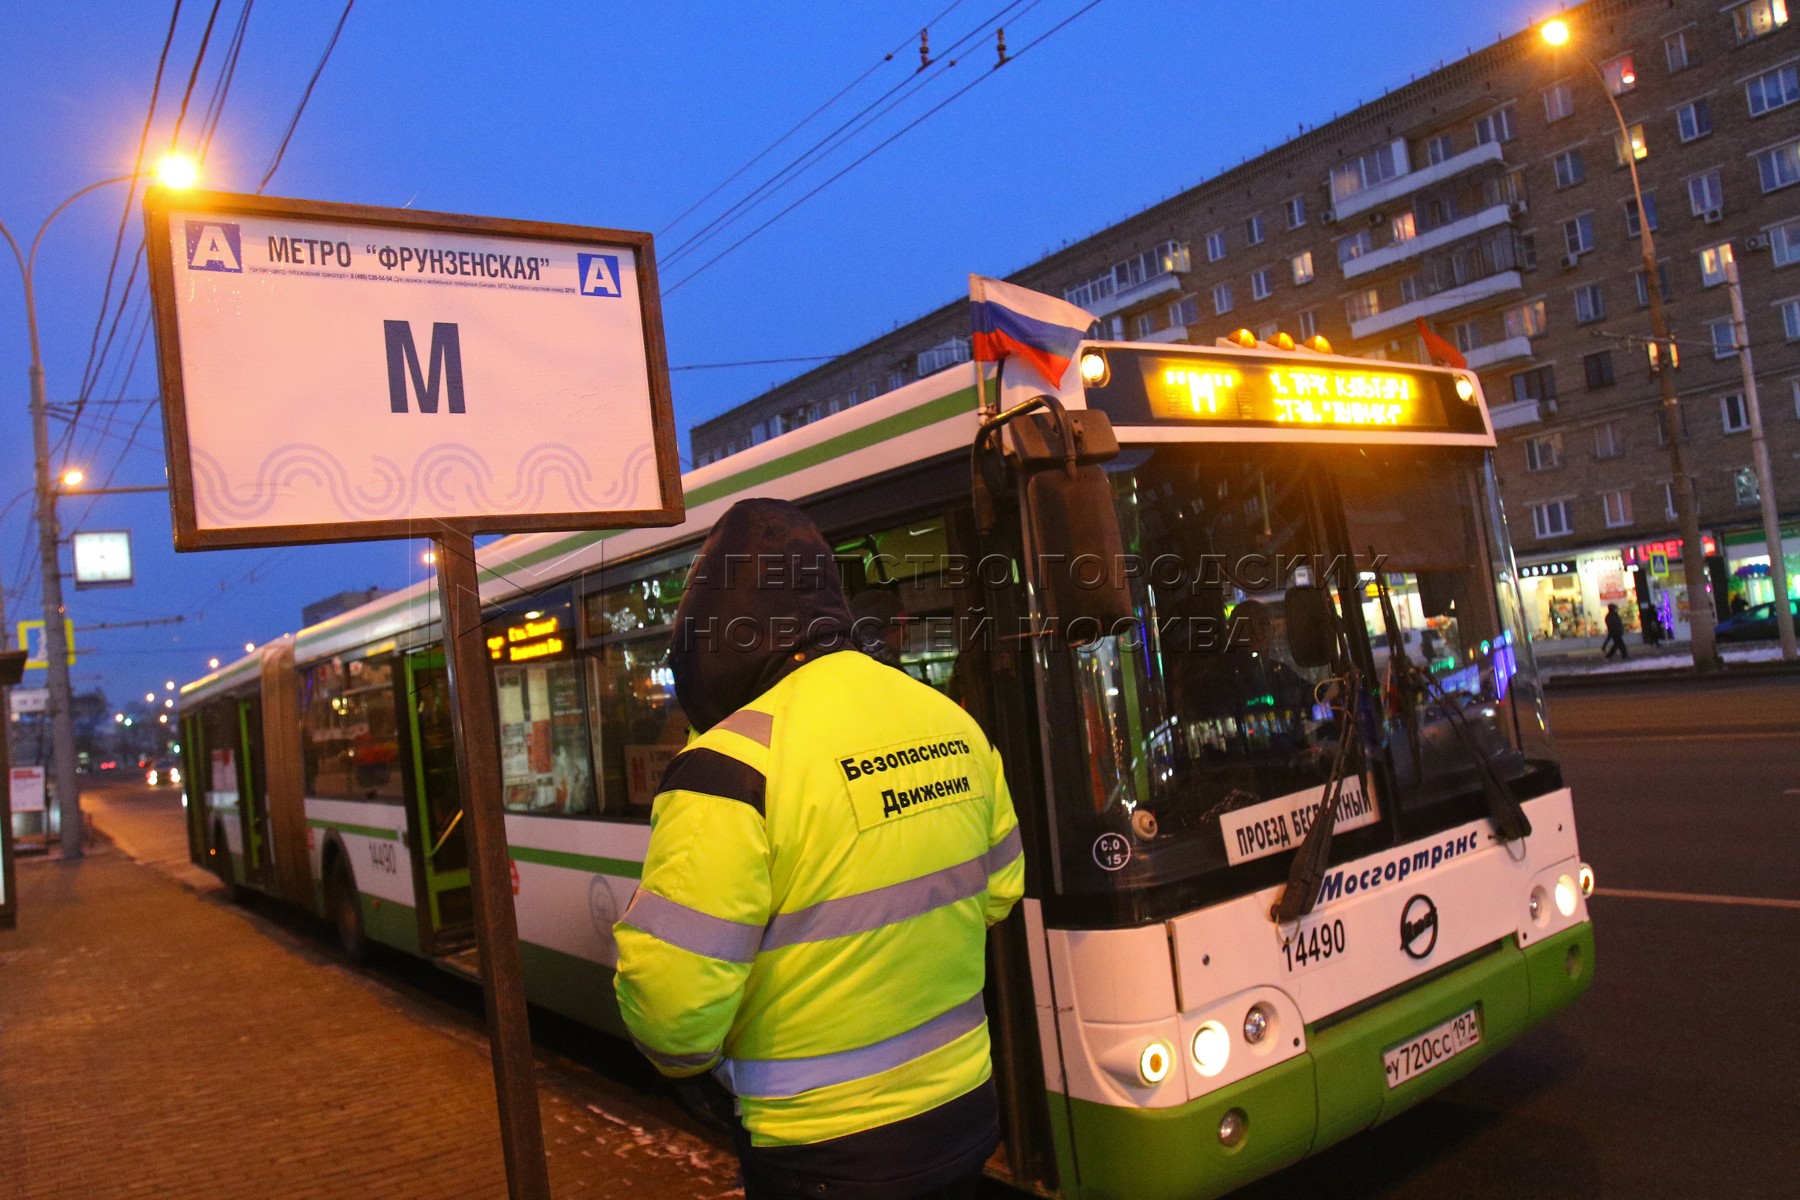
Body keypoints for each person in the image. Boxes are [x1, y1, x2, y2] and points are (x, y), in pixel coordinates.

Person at [614, 498, 1025, 1200]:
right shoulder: (949, 721)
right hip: (963, 1118)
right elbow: (999, 892)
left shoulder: (727, 768)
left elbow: (670, 1015)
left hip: (821, 1156)